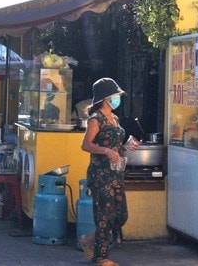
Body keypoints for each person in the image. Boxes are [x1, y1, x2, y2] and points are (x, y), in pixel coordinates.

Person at [79, 78, 140, 266]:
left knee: (120, 215)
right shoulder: (96, 119)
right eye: (115, 96)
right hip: (100, 174)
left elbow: (116, 145)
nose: (118, 99)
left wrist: (126, 146)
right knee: (105, 214)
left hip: (116, 174)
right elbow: (86, 144)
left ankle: (90, 239)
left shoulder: (115, 118)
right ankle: (101, 257)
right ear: (106, 98)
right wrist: (105, 151)